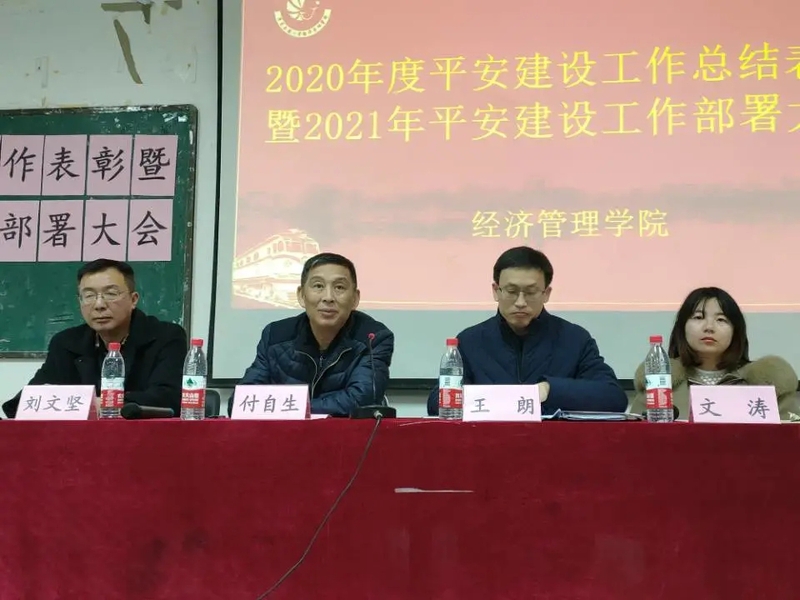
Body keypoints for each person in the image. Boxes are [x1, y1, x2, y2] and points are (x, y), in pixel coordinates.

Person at [427, 246, 627, 416]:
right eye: (512, 291)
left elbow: (613, 397)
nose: (521, 302)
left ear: (546, 293)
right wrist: (501, 398)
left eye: (531, 292)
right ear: (496, 291)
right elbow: (437, 404)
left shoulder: (574, 339)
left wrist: (549, 390)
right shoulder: (471, 341)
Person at [2, 259, 187, 419]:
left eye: (111, 294)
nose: (99, 305)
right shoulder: (67, 343)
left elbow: (170, 398)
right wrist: (87, 404)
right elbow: (24, 403)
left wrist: (101, 405)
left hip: (143, 440)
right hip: (79, 442)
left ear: (133, 300)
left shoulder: (165, 337)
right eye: (89, 296)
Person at [232, 252, 394, 416]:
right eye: (318, 286)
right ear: (301, 295)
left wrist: (291, 407)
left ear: (355, 298)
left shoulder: (373, 338)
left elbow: (362, 399)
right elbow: (241, 402)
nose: (328, 297)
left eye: (339, 287)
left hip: (345, 432)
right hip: (286, 431)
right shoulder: (275, 336)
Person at [631, 287, 799, 420]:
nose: (709, 327)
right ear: (682, 328)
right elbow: (636, 439)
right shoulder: (660, 384)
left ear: (736, 331)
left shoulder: (765, 384)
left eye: (721, 320)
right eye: (698, 317)